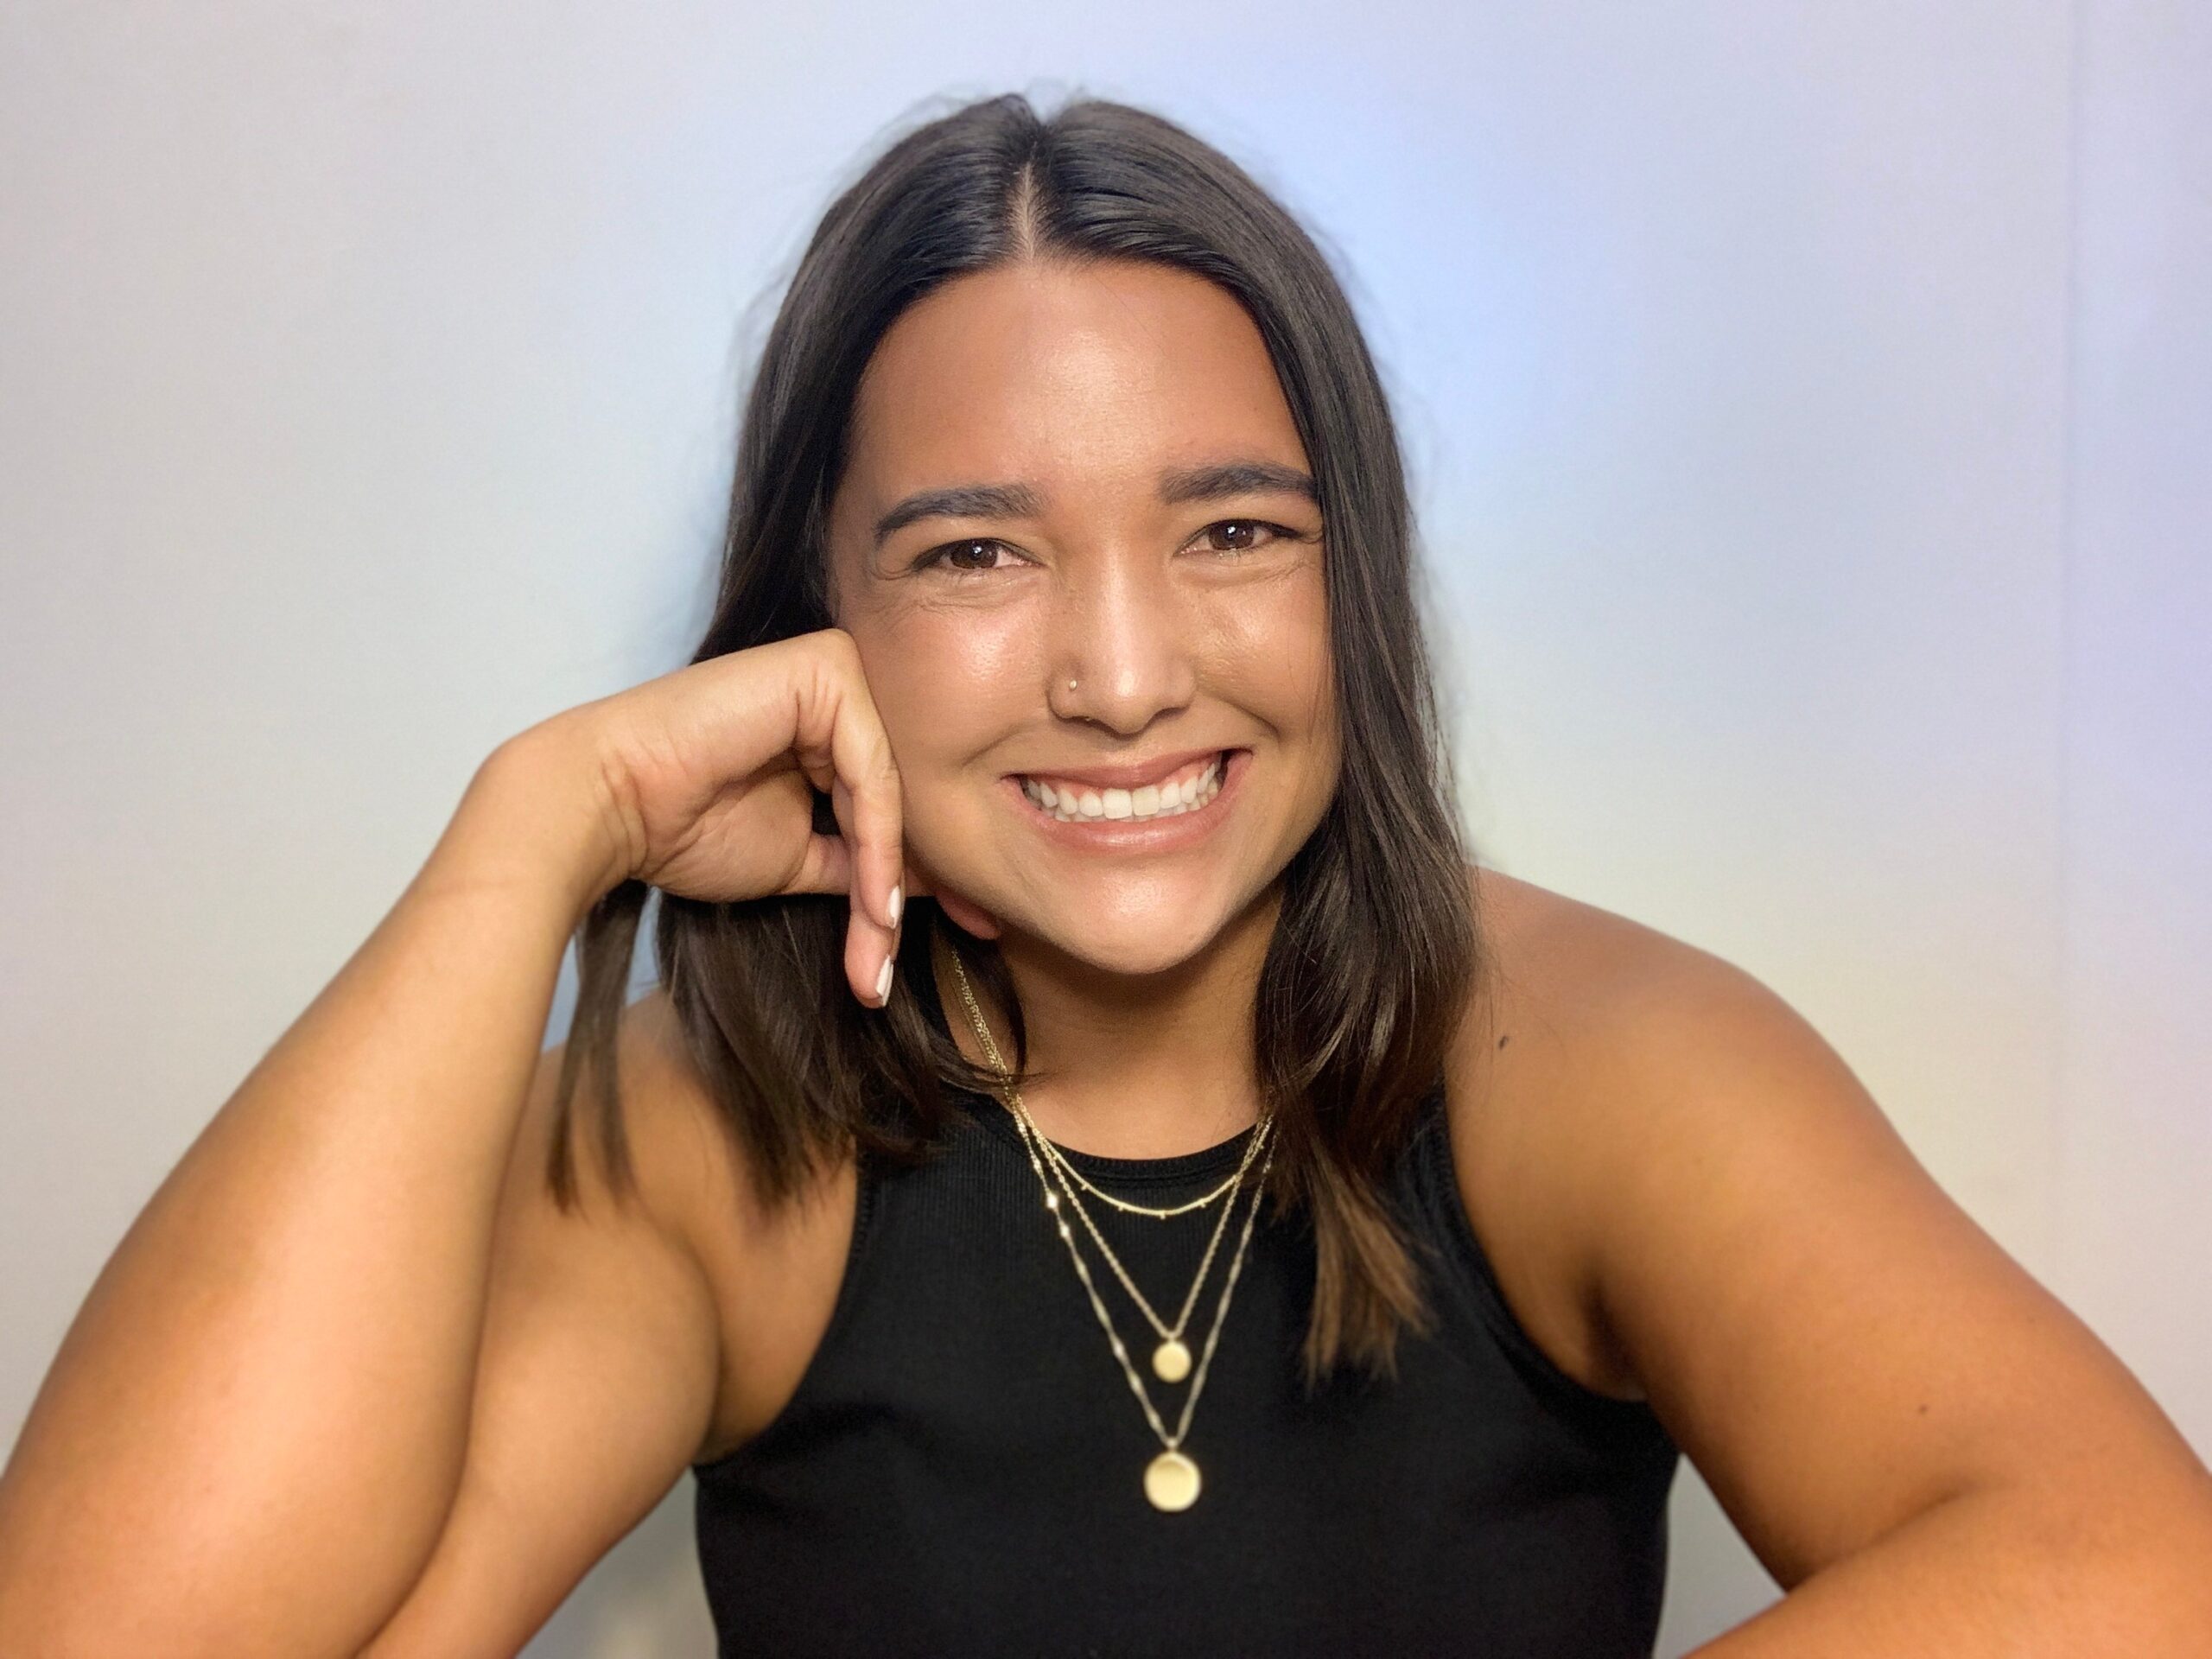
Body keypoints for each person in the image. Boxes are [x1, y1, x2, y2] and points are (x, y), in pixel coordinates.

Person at [3, 89, 2210, 1659]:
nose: (1129, 676)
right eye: (976, 553)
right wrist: (525, 844)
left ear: (1351, 583)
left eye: (1232, 529)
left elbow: (2128, 1566)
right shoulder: (713, 1134)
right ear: (817, 618)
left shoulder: (1601, 1056)